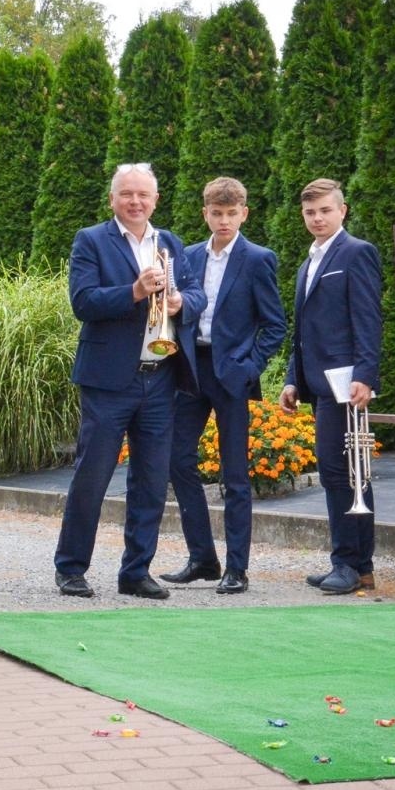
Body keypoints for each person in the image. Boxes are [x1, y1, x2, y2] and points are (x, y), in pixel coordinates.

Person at [52, 163, 204, 601]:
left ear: (155, 200)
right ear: (112, 199)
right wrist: (135, 292)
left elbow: (197, 294)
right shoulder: (91, 240)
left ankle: (136, 571)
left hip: (160, 377)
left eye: (143, 195)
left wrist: (179, 302)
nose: (135, 201)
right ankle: (71, 568)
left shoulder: (170, 242)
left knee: (152, 480)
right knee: (92, 477)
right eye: (127, 194)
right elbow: (83, 301)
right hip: (107, 381)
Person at [161, 177, 286, 596]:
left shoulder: (257, 258)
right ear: (205, 214)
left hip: (231, 374)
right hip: (191, 369)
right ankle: (203, 559)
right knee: (178, 460)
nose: (224, 220)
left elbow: (274, 325)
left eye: (232, 213)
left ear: (244, 213)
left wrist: (248, 368)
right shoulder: (189, 256)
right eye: (217, 213)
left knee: (234, 473)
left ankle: (237, 568)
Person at [278, 178, 382, 595]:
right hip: (319, 383)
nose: (317, 218)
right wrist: (291, 379)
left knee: (348, 474)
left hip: (346, 383)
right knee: (334, 472)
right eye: (310, 212)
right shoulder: (310, 261)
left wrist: (365, 375)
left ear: (343, 210)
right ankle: (353, 564)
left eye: (325, 210)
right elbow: (304, 330)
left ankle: (353, 565)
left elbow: (368, 318)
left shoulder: (356, 253)